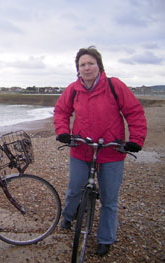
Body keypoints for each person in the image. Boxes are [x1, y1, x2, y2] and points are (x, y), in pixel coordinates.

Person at [54, 46, 147, 257]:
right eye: (82, 65)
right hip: (81, 148)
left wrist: (136, 140)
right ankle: (68, 217)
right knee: (74, 188)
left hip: (111, 151)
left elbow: (134, 113)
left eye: (90, 64)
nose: (86, 68)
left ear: (99, 66)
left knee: (109, 199)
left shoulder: (115, 85)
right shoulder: (73, 89)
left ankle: (105, 238)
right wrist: (63, 131)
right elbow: (61, 111)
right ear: (78, 69)